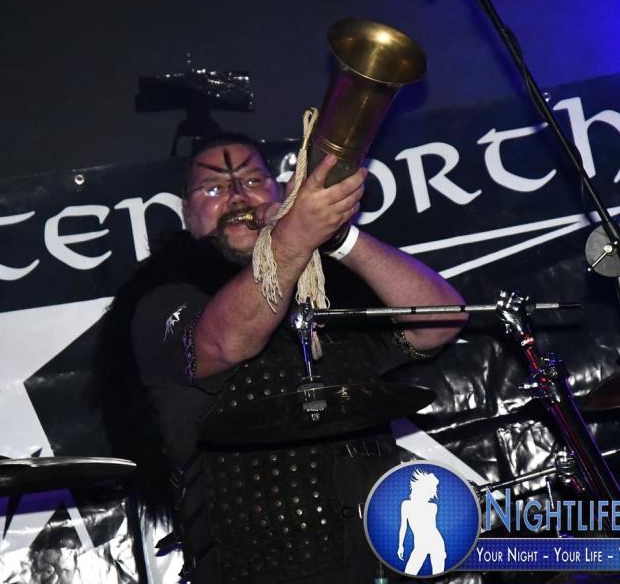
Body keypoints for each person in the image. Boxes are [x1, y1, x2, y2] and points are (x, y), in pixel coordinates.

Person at [103, 131, 466, 584]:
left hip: (381, 557)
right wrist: (296, 235)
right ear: (186, 213)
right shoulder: (158, 301)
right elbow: (226, 342)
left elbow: (441, 319)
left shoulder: (327, 285)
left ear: (277, 193)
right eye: (213, 188)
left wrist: (339, 238)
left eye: (253, 180)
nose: (238, 196)